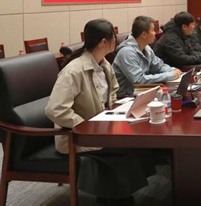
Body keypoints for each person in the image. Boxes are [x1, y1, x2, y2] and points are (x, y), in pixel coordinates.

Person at [46, 19, 155, 203]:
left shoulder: (104, 65)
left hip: (101, 129)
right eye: (114, 37)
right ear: (104, 42)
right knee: (123, 148)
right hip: (76, 137)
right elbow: (55, 110)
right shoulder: (74, 71)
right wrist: (85, 126)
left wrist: (121, 111)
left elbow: (110, 98)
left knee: (135, 140)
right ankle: (113, 198)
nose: (117, 41)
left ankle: (117, 195)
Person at [113, 16, 182, 96]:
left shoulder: (146, 48)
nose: (155, 33)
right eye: (153, 30)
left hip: (142, 92)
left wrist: (174, 71)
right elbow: (139, 80)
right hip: (126, 97)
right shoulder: (127, 53)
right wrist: (170, 75)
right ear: (144, 34)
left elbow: (159, 66)